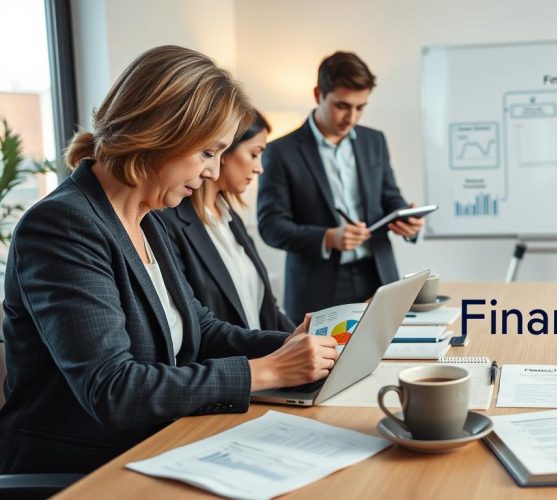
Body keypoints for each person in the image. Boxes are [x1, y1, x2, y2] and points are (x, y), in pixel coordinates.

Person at [0, 46, 338, 474]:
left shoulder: (148, 219)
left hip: (160, 443)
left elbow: (201, 329)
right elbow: (113, 389)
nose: (213, 172)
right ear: (161, 133)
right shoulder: (63, 225)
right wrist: (267, 371)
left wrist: (290, 346)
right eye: (208, 153)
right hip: (83, 469)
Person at [258, 51, 424, 323]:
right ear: (318, 95)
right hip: (316, 287)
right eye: (343, 106)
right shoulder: (280, 151)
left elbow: (389, 196)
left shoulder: (374, 141)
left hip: (378, 276)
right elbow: (271, 227)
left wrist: (406, 218)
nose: (352, 118)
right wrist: (328, 237)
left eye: (360, 107)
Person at [158, 111, 294, 332]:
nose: (259, 168)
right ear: (224, 151)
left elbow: (267, 307)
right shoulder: (168, 223)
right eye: (254, 154)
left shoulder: (232, 219)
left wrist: (298, 337)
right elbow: (196, 324)